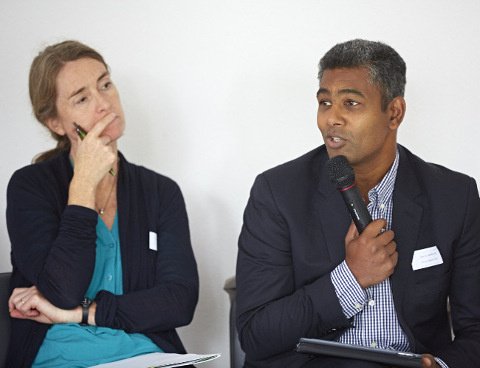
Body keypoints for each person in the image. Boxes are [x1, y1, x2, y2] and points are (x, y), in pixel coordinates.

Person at [235, 39, 480, 368]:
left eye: (350, 103)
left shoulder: (454, 195)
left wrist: (440, 365)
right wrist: (351, 278)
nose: (331, 119)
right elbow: (256, 334)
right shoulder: (277, 193)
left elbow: (475, 331)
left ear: (394, 113)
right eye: (324, 103)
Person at [6, 40, 199, 368]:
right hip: (60, 356)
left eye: (105, 84)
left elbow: (179, 301)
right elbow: (61, 292)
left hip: (147, 354)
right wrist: (82, 184)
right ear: (55, 122)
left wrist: (82, 313)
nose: (104, 102)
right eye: (82, 98)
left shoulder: (161, 192)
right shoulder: (29, 187)